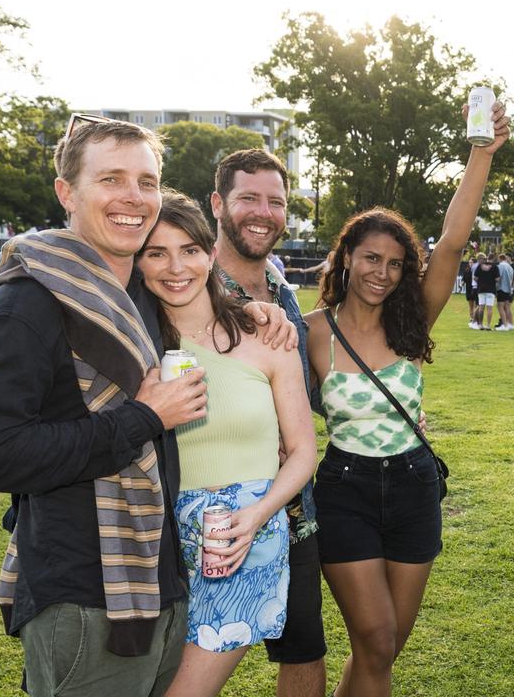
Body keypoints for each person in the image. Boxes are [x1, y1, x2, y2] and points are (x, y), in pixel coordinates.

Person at [0, 117, 295, 696]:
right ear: (67, 192)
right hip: (85, 593)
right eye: (111, 178)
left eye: (146, 181)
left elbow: (192, 288)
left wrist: (256, 308)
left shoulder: (131, 297)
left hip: (160, 579)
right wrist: (142, 419)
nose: (133, 197)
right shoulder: (27, 305)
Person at [303, 99, 509, 697]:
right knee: (373, 638)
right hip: (346, 490)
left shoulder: (413, 318)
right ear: (346, 257)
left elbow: (451, 242)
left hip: (416, 485)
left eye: (395, 263)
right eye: (371, 257)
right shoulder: (312, 331)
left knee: (387, 646)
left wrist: (480, 154)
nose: (382, 272)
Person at [139, 191, 317, 697]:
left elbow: (303, 451)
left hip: (241, 540)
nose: (176, 267)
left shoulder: (268, 338)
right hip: (153, 544)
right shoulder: (134, 344)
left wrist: (259, 514)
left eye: (189, 250)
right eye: (156, 252)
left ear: (210, 254)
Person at [209, 149, 327, 697]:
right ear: (217, 204)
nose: (264, 213)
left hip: (291, 508)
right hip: (204, 507)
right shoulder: (185, 286)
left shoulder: (283, 294)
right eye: (248, 198)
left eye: (276, 202)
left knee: (304, 645)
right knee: (190, 649)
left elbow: (303, 391)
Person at [474, 252, 498, 330]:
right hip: (491, 289)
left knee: (481, 307)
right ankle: (488, 325)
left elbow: (475, 278)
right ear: (494, 259)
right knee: (489, 308)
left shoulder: (480, 266)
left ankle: (480, 324)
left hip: (481, 289)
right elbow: (497, 278)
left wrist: (481, 280)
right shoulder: (494, 266)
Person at [495, 253, 514, 331]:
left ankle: (504, 325)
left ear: (499, 259)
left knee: (500, 307)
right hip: (508, 289)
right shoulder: (510, 267)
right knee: (507, 307)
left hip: (502, 288)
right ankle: (510, 324)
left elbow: (499, 277)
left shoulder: (500, 266)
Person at [461, 255, 479, 328]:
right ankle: (471, 319)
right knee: (470, 306)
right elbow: (463, 279)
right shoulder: (467, 270)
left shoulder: (477, 270)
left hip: (475, 289)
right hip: (468, 290)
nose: (470, 264)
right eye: (469, 262)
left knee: (475, 305)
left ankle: (476, 320)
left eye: (471, 262)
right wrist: (461, 283)